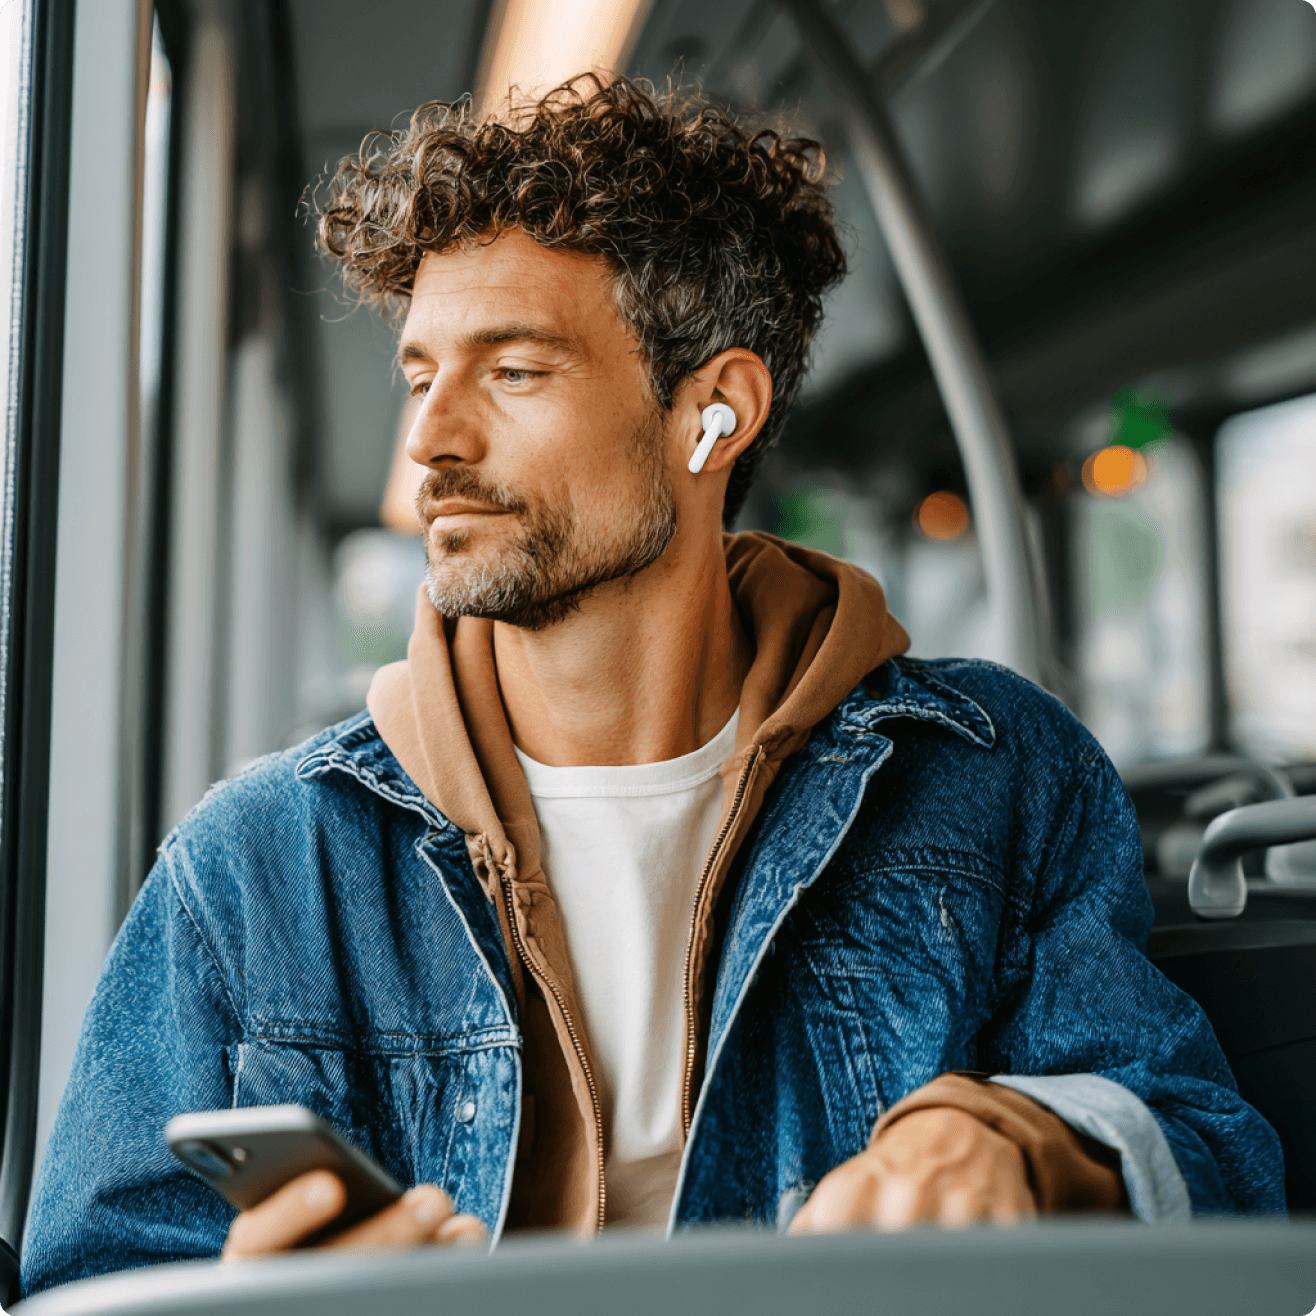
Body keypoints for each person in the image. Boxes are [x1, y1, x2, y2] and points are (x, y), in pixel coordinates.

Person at [21, 76, 1283, 1297]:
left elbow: (1214, 1158)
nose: (430, 443)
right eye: (420, 376)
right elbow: (92, 1286)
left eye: (511, 372)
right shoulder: (258, 865)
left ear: (710, 413)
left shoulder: (992, 773)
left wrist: (1024, 1145)